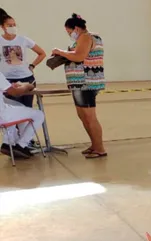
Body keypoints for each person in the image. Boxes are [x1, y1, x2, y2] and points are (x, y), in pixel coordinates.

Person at [52, 14, 106, 159]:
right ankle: (94, 144)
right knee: (83, 115)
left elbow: (79, 56)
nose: (70, 35)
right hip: (79, 83)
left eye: (69, 32)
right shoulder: (88, 38)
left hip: (85, 82)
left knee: (89, 117)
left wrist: (60, 52)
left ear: (76, 28)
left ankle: (100, 148)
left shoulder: (86, 37)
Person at [0, 14, 45, 108]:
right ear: (2, 27)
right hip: (8, 80)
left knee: (27, 107)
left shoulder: (23, 39)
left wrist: (32, 65)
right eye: (9, 25)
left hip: (26, 78)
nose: (12, 27)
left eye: (14, 25)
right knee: (12, 109)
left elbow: (42, 53)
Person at [0, 71, 44, 160]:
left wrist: (10, 86)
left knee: (18, 108)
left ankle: (8, 143)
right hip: (3, 114)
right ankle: (21, 145)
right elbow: (15, 92)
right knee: (39, 115)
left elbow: (7, 89)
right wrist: (28, 86)